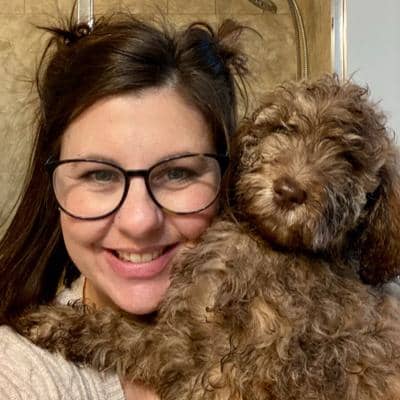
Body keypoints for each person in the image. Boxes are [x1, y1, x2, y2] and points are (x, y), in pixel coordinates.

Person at [0, 11, 249, 400]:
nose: (139, 221)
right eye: (99, 175)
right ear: (52, 189)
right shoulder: (19, 374)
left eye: (178, 173)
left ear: (228, 180)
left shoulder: (312, 329)